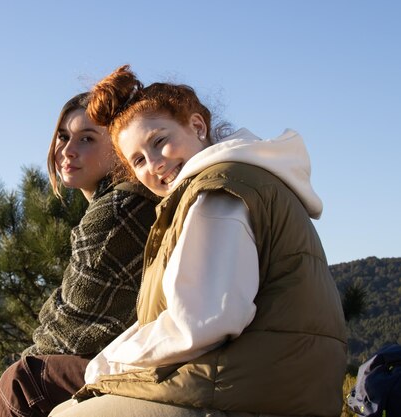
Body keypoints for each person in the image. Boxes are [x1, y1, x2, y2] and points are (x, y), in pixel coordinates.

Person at [50, 66, 348, 417]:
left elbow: (204, 320)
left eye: (160, 141)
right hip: (283, 384)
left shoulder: (217, 192)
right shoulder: (247, 176)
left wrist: (105, 365)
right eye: (139, 160)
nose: (155, 164)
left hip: (256, 392)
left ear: (197, 126)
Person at [0, 92, 159, 417]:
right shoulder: (122, 201)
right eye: (63, 137)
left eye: (87, 139)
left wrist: (34, 356)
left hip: (139, 364)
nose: (67, 150)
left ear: (120, 147)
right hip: (135, 354)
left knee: (22, 382)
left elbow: (71, 329)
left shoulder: (118, 210)